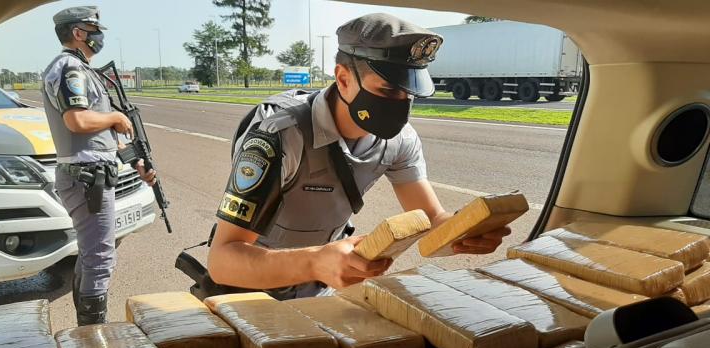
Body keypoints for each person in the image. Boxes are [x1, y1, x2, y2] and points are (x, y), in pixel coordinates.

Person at [207, 13, 511, 299]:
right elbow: (222, 260)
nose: (402, 106)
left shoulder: (399, 140)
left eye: (410, 94)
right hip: (248, 291)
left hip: (318, 287)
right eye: (389, 90)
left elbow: (433, 220)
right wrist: (315, 262)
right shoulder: (280, 135)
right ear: (343, 79)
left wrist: (464, 230)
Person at [41, 6, 155, 325]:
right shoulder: (69, 69)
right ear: (79, 33)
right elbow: (76, 120)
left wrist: (138, 163)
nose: (99, 36)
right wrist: (116, 117)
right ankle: (92, 338)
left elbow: (104, 138)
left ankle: (87, 334)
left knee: (93, 255)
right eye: (95, 30)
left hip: (92, 173)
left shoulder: (82, 69)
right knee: (100, 258)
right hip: (85, 177)